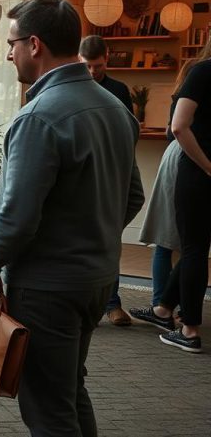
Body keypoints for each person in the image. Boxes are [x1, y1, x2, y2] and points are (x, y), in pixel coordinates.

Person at [0, 0, 144, 436]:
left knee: (49, 409)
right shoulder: (118, 111)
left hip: (47, 287)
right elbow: (133, 197)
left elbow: (16, 216)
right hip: (97, 279)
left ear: (35, 44)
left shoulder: (37, 117)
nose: (8, 53)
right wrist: (96, 232)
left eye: (11, 43)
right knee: (69, 390)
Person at [130, 44, 211, 327]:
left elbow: (175, 128)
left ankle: (187, 327)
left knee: (186, 247)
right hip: (192, 163)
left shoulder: (199, 71)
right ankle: (163, 308)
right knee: (194, 246)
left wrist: (207, 166)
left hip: (191, 164)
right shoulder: (198, 71)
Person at [79, 35, 135, 326]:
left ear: (107, 59)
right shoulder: (72, 90)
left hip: (110, 172)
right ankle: (86, 304)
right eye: (87, 66)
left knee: (109, 239)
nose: (92, 72)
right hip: (80, 174)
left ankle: (112, 303)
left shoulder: (118, 90)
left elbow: (128, 133)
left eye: (97, 66)